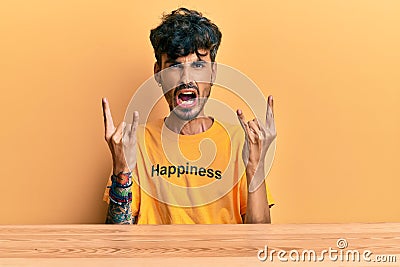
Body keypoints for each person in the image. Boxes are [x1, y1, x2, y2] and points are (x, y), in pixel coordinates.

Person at [102, 7, 276, 224]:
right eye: (174, 65)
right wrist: (121, 171)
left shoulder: (239, 141)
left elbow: (259, 242)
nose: (186, 78)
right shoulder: (134, 143)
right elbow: (116, 241)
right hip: (154, 258)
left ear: (213, 72)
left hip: (224, 258)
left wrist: (255, 168)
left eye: (198, 65)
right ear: (158, 74)